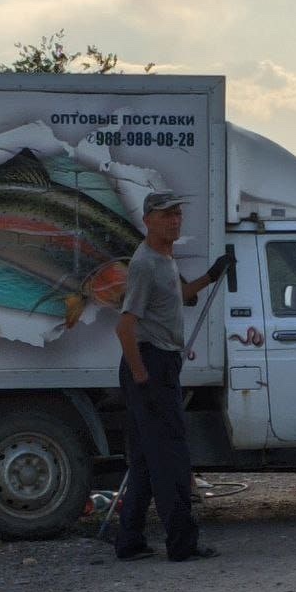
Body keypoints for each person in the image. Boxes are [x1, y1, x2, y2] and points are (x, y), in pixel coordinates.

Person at [114, 191, 232, 562]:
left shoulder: (165, 259)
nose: (175, 221)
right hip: (150, 366)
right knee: (172, 458)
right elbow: (125, 327)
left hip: (157, 365)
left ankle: (129, 541)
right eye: (167, 215)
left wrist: (212, 275)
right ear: (149, 219)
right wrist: (143, 377)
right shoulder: (145, 263)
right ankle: (183, 543)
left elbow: (180, 294)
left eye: (178, 214)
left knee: (147, 461)